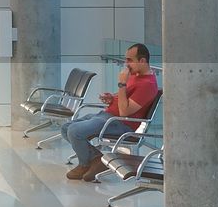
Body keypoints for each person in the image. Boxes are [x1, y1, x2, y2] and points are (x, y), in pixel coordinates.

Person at [63, 43, 159, 181]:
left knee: (74, 131)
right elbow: (125, 98)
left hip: (120, 123)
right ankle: (97, 159)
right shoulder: (135, 75)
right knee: (65, 128)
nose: (126, 64)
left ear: (142, 61)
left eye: (130, 60)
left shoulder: (148, 85)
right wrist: (112, 97)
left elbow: (125, 112)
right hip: (107, 116)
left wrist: (122, 84)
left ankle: (85, 164)